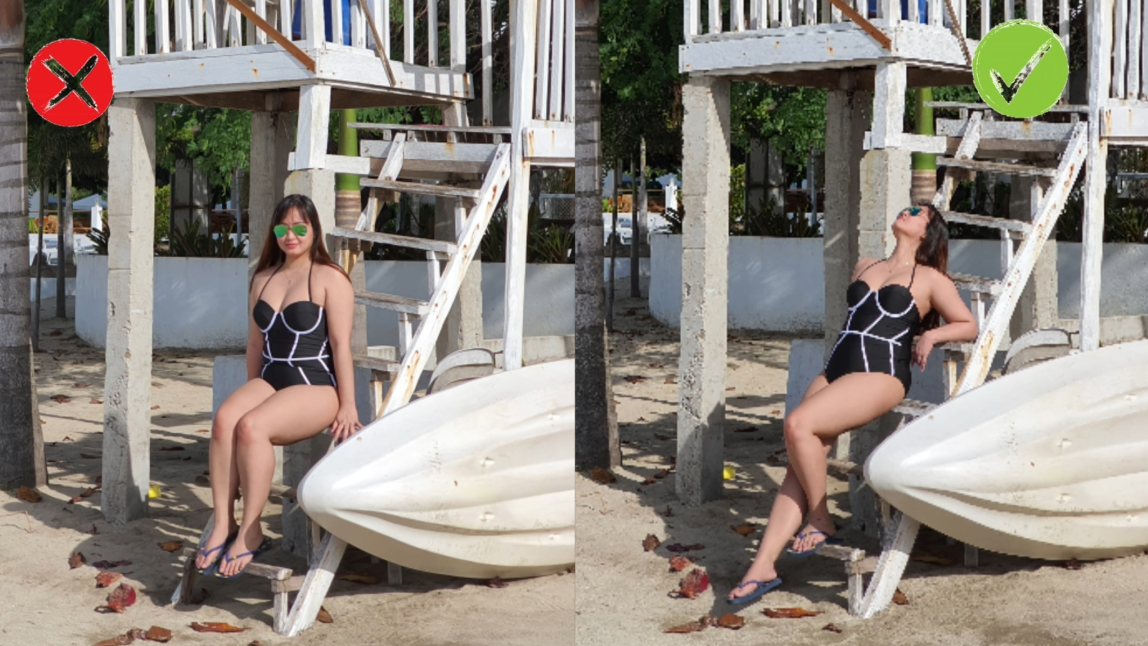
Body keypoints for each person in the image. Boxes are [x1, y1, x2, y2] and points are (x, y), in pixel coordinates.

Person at [727, 202, 978, 605]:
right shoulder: (864, 264)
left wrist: (931, 336)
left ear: (927, 232)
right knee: (800, 455)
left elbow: (968, 323)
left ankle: (821, 519)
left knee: (797, 425)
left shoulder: (932, 279)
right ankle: (762, 568)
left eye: (916, 211)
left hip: (881, 373)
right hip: (838, 366)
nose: (905, 210)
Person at [193, 194, 362, 579]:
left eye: (300, 227)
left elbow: (340, 345)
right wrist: (251, 393)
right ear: (274, 231)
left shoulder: (329, 277)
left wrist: (348, 404)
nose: (291, 235)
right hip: (271, 379)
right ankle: (224, 522)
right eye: (283, 227)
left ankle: (251, 531)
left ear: (313, 230)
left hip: (316, 385)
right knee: (225, 420)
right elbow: (255, 344)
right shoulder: (263, 278)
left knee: (253, 427)